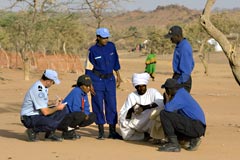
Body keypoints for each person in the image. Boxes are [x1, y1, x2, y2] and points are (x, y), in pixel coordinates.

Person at [85, 27, 122, 140]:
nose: (106, 40)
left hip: (110, 80)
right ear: (98, 38)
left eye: (107, 37)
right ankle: (101, 131)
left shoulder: (111, 46)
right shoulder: (92, 51)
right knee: (98, 105)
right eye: (103, 38)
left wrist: (118, 76)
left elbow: (116, 61)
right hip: (97, 80)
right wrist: (90, 84)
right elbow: (88, 69)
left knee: (111, 104)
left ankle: (112, 131)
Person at [158, 78, 206, 152]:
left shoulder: (179, 95)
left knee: (164, 114)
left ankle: (173, 144)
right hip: (198, 127)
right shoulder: (182, 93)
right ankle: (192, 139)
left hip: (196, 126)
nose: (166, 92)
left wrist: (167, 98)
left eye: (166, 90)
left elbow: (167, 109)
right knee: (172, 117)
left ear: (169, 90)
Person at [20, 69, 67, 142]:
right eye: (53, 82)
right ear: (48, 81)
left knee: (63, 110)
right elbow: (45, 112)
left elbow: (43, 102)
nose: (53, 84)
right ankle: (32, 131)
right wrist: (57, 108)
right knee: (53, 123)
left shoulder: (43, 87)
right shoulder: (38, 90)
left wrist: (54, 103)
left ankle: (49, 134)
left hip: (38, 114)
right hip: (29, 117)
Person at [119, 72, 165, 141]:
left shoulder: (152, 92)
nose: (141, 88)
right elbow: (124, 113)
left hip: (150, 121)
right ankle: (145, 136)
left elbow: (161, 102)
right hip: (136, 122)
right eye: (139, 86)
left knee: (159, 112)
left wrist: (145, 107)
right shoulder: (132, 96)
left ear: (146, 85)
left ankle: (154, 134)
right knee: (126, 136)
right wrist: (131, 110)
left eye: (143, 86)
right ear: (136, 87)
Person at [59, 75, 96, 139]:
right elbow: (75, 109)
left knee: (92, 116)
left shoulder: (84, 94)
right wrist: (84, 115)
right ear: (81, 86)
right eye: (86, 86)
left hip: (74, 115)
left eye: (89, 86)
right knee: (80, 115)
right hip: (63, 117)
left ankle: (71, 129)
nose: (88, 88)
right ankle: (67, 131)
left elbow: (86, 107)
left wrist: (86, 114)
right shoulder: (76, 91)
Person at [164, 25, 194, 92]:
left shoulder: (184, 47)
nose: (170, 39)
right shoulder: (179, 46)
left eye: (171, 37)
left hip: (182, 80)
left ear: (177, 36)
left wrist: (177, 83)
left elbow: (186, 70)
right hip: (177, 77)